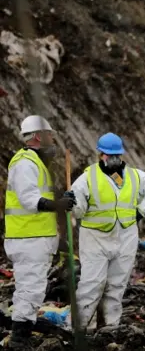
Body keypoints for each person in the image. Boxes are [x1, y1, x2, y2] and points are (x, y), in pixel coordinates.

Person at [68, 133, 145, 330]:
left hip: (126, 237)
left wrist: (141, 212)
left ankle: (110, 328)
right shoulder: (87, 178)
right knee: (91, 285)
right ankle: (79, 328)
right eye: (109, 155)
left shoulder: (135, 176)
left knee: (116, 286)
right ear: (100, 155)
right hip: (96, 238)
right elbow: (79, 211)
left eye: (116, 155)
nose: (113, 159)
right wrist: (72, 203)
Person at [4, 115, 76, 348]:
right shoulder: (25, 163)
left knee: (33, 287)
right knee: (30, 288)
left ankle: (26, 325)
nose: (52, 138)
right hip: (27, 238)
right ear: (38, 136)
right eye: (49, 134)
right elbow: (29, 200)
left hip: (35, 238)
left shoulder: (35, 163)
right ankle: (19, 338)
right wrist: (57, 204)